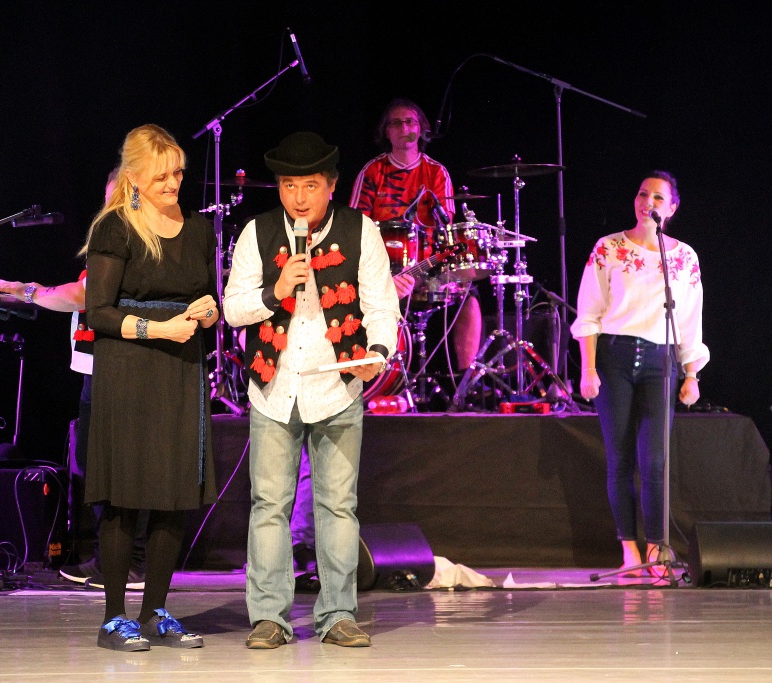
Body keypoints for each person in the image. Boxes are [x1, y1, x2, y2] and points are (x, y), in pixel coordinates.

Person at [223, 131, 401, 649]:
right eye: (289, 186)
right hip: (274, 386)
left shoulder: (360, 230)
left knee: (338, 505)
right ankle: (269, 618)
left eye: (310, 186)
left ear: (331, 185)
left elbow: (382, 307)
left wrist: (378, 355)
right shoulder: (256, 233)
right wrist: (275, 291)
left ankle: (338, 614)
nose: (299, 198)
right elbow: (232, 309)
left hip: (337, 385)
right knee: (269, 505)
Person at [80, 123, 219, 651]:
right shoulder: (115, 227)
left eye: (178, 173)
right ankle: (114, 618)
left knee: (173, 494)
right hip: (130, 369)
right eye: (161, 176)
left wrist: (208, 312)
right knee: (124, 495)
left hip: (181, 368)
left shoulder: (199, 229)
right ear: (134, 177)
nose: (173, 183)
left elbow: (206, 296)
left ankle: (156, 611)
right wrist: (158, 329)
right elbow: (98, 312)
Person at [0, 168, 148, 591]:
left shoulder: (141, 242)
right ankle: (110, 559)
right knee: (95, 467)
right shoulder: (114, 239)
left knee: (120, 470)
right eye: (110, 199)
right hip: (97, 369)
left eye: (123, 198)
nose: (113, 208)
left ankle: (132, 564)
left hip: (123, 370)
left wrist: (29, 291)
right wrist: (28, 291)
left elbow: (83, 295)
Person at [569, 170, 708, 578]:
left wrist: (691, 374)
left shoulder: (684, 256)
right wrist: (588, 368)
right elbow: (589, 311)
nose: (649, 202)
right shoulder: (608, 247)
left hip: (659, 361)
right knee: (620, 457)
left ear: (673, 208)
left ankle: (656, 549)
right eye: (643, 194)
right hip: (614, 356)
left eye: (659, 198)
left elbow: (690, 319)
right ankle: (629, 549)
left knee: (655, 461)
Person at [349, 97, 483, 377]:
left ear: (421, 128)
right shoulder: (372, 171)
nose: (404, 128)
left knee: (468, 295)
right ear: (387, 132)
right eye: (396, 123)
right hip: (381, 268)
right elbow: (354, 226)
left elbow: (445, 227)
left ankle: (464, 380)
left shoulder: (436, 172)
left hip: (428, 264)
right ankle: (380, 376)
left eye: (410, 122)